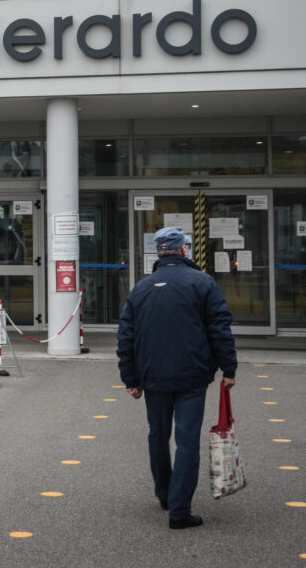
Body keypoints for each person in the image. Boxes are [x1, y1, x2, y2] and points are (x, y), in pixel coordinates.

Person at [116, 226, 237, 530]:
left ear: (159, 253)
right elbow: (219, 329)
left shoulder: (141, 289)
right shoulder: (203, 283)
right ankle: (180, 510)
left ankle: (164, 493)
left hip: (153, 376)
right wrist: (229, 369)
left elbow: (126, 337)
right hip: (191, 377)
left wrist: (130, 378)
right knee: (187, 442)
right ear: (184, 250)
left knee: (157, 435)